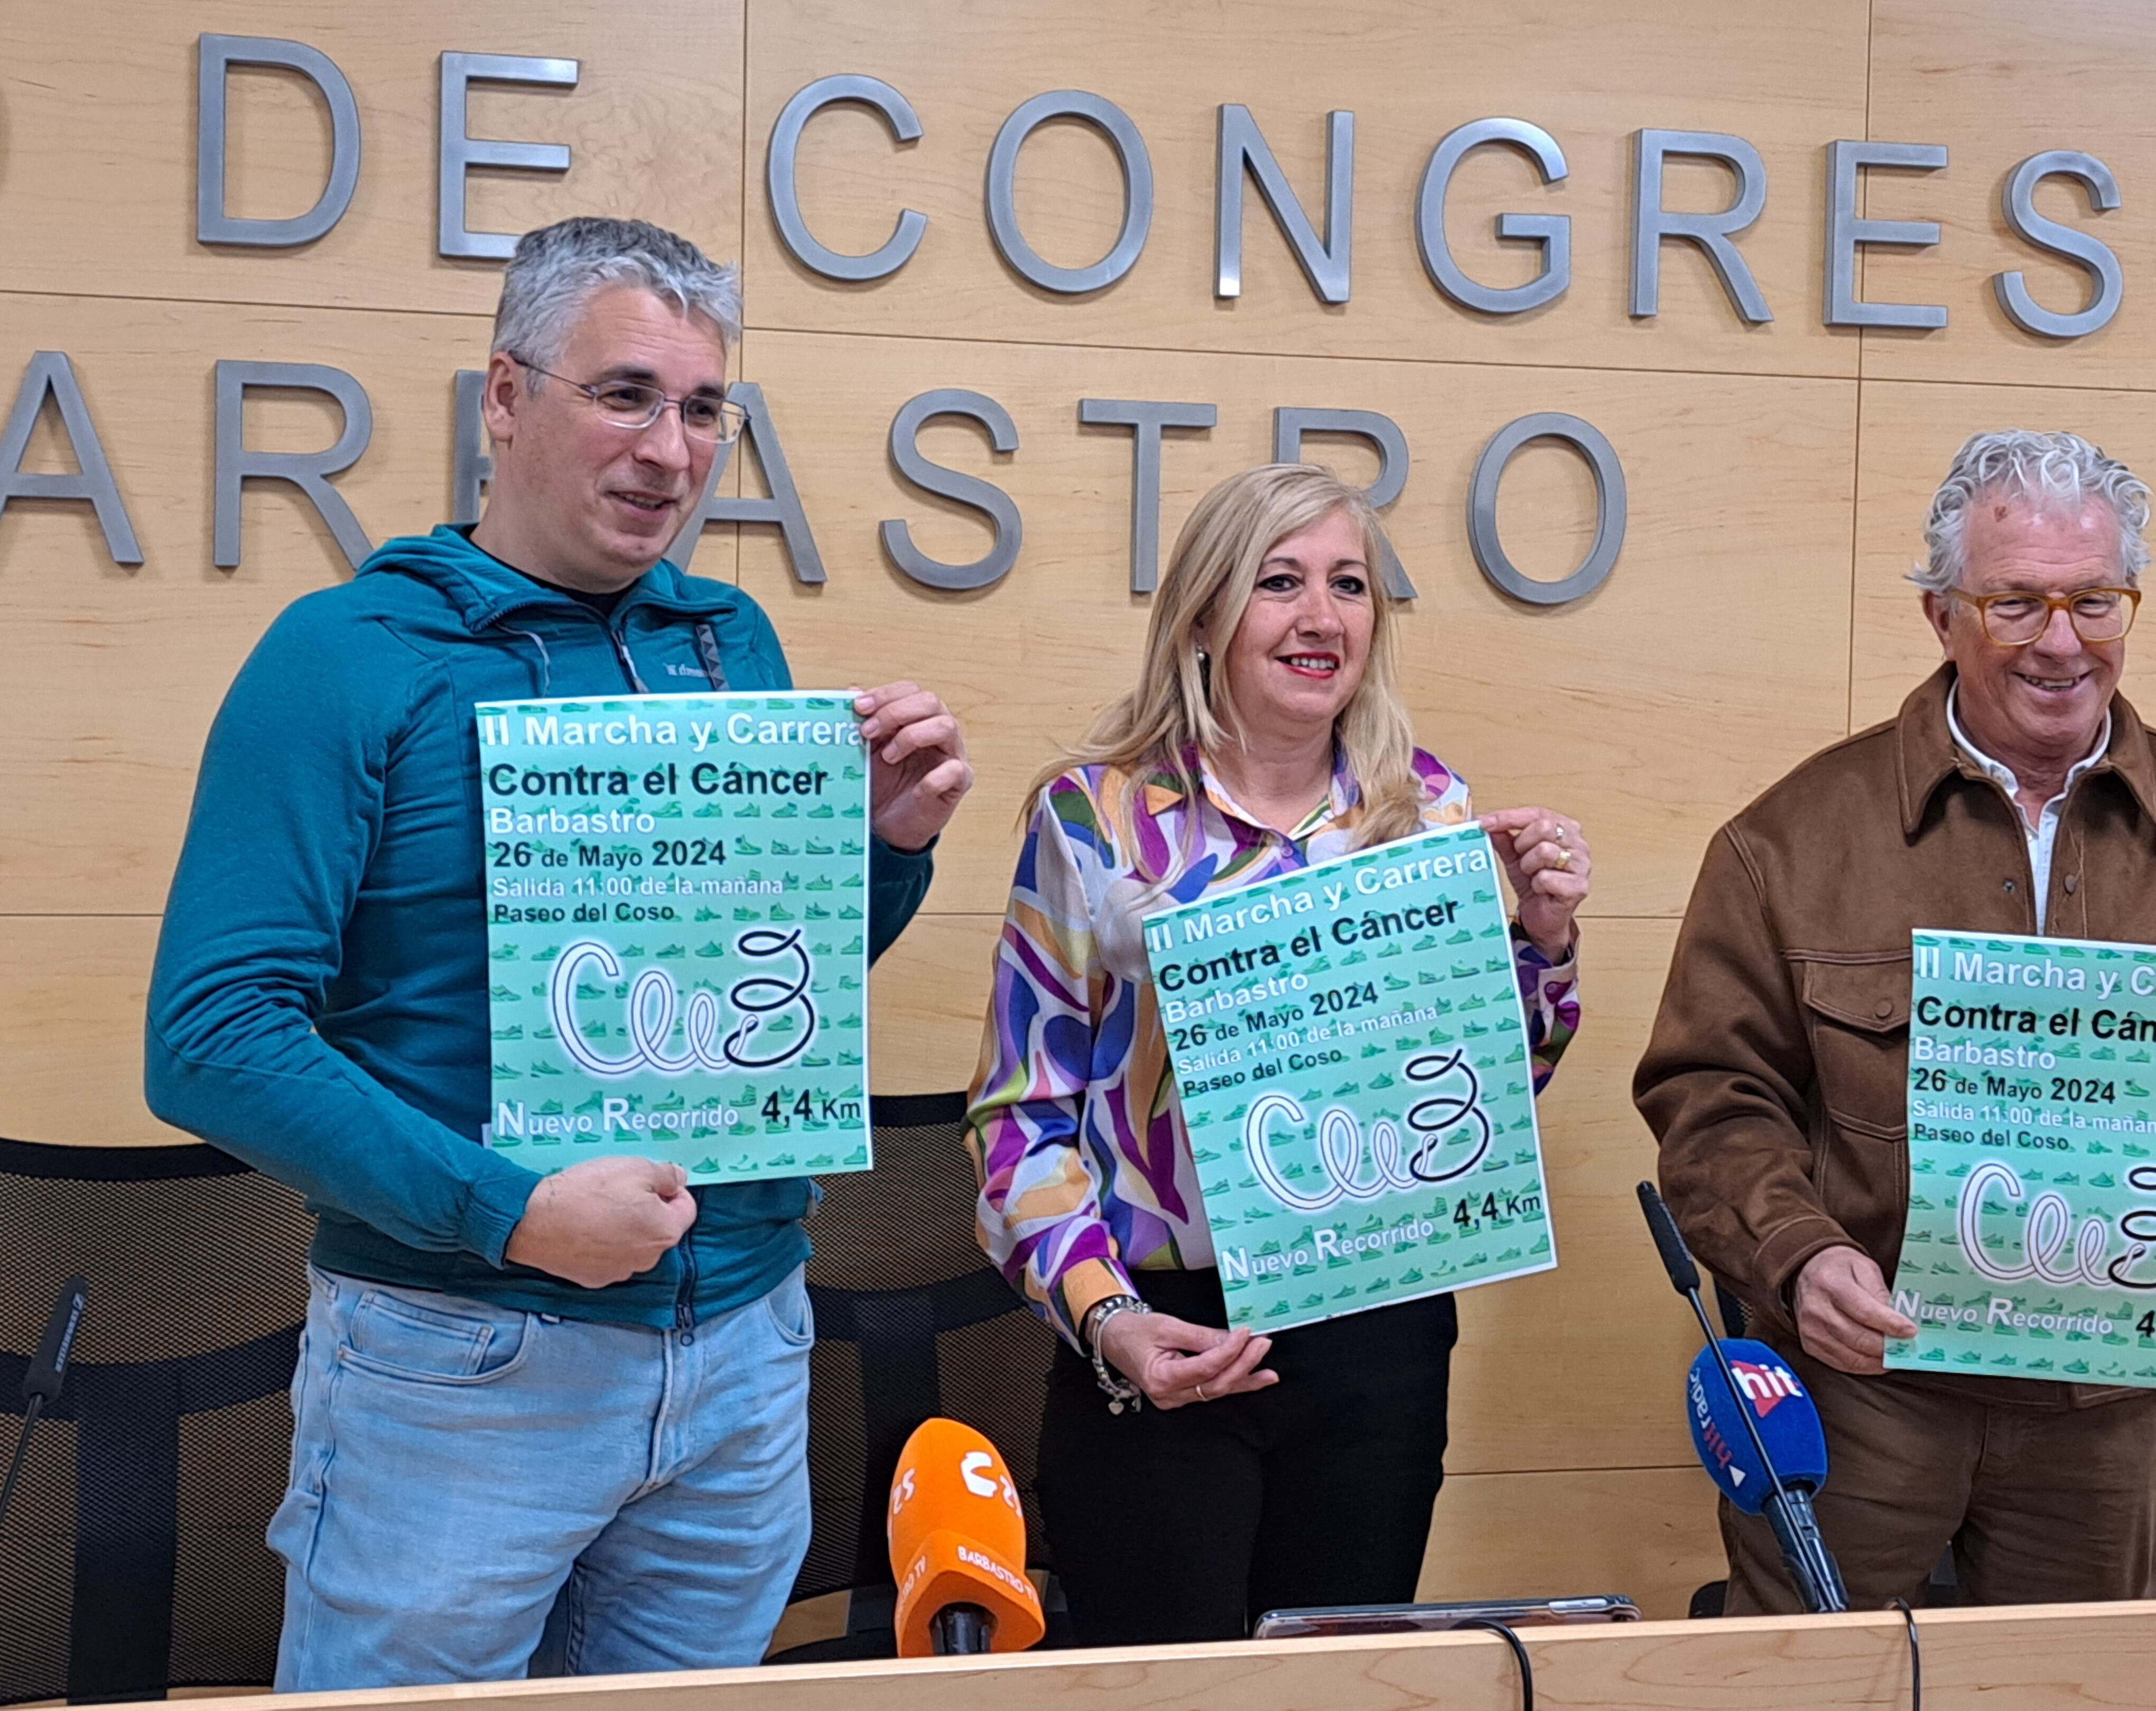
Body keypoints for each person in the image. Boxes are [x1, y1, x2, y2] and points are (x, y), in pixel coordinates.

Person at [145, 218, 974, 1688]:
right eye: (626, 394)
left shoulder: (735, 645)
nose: (671, 448)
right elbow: (213, 1035)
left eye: (704, 408)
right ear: (507, 400)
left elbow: (764, 997)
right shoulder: (346, 656)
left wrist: (884, 849)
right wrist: (511, 1209)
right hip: (463, 1357)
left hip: (741, 1350)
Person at [1634, 429, 2156, 1612]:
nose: (2060, 641)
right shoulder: (1784, 842)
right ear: (1939, 614)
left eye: (2093, 600)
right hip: (1867, 1390)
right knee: (1810, 1695)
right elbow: (1708, 1098)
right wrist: (1795, 1251)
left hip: (2114, 1411)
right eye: (2014, 604)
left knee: (2076, 1692)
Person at [965, 462, 1590, 1645]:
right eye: (1278, 583)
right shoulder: (1093, 819)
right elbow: (1018, 1117)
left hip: (1374, 1336)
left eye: (1347, 585)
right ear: (1204, 615)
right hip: (1162, 1334)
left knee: (1340, 1686)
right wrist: (1107, 1322)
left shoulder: (1428, 816)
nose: (1320, 618)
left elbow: (1476, 1105)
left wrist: (1541, 946)